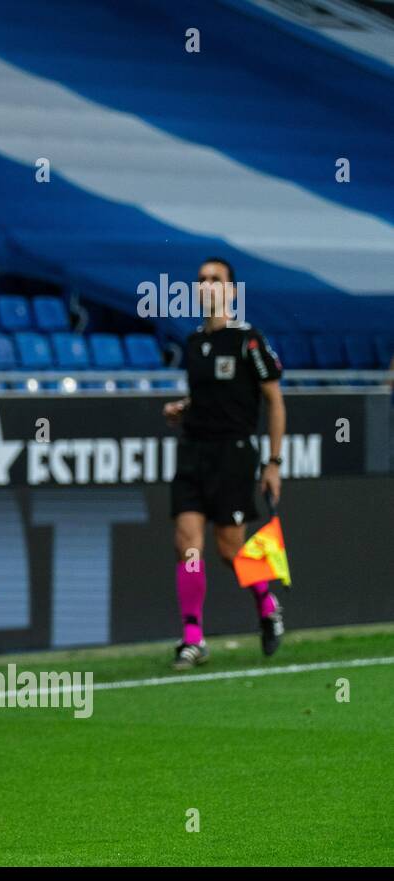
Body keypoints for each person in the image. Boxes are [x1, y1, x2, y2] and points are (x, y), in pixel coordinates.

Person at [162, 257, 285, 670]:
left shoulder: (248, 340)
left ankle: (267, 603)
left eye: (216, 280)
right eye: (201, 280)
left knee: (231, 551)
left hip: (233, 455)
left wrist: (273, 462)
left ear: (232, 291)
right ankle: (193, 637)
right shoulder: (195, 344)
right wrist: (186, 408)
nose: (207, 286)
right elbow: (213, 393)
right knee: (188, 545)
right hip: (194, 453)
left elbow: (274, 401)